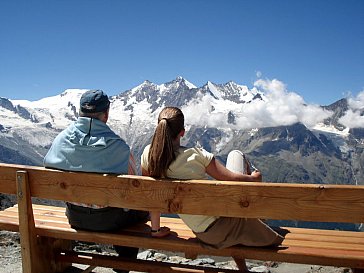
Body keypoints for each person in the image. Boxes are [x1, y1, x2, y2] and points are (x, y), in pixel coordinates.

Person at [141, 106, 285, 272]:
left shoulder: (148, 155)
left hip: (202, 232)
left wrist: (156, 230)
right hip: (225, 227)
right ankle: (257, 219)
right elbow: (231, 179)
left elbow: (150, 194)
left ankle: (242, 268)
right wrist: (254, 179)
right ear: (182, 132)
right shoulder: (196, 155)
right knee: (236, 154)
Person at [44, 89, 149, 273]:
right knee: (140, 211)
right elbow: (134, 193)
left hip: (75, 216)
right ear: (106, 114)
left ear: (79, 112)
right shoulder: (120, 148)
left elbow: (48, 170)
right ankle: (124, 264)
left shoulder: (60, 141)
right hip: (111, 221)